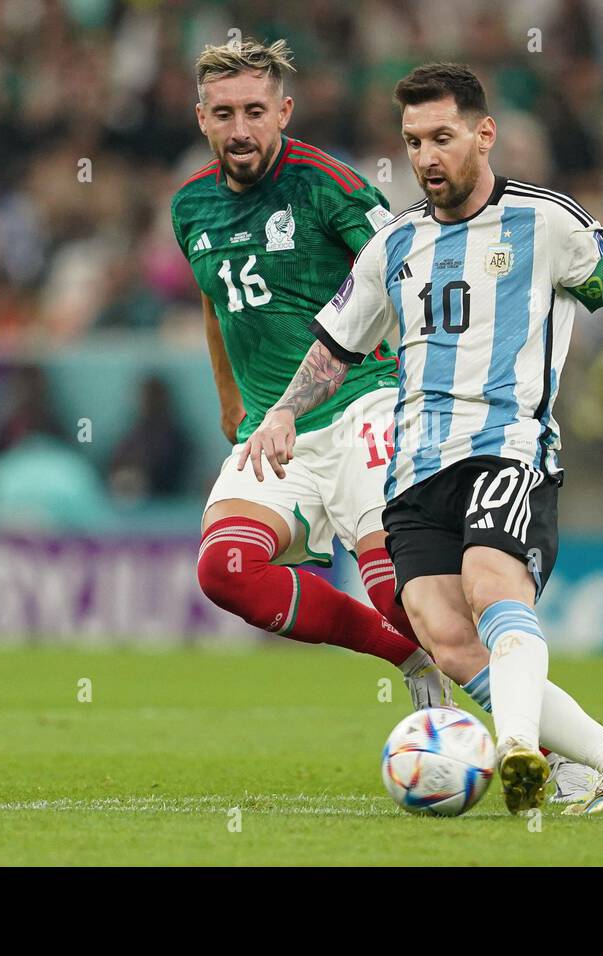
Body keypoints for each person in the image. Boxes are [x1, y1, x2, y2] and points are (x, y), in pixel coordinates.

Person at [242, 63, 603, 814]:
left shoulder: (546, 222)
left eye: (442, 137)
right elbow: (334, 346)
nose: (427, 157)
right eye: (413, 142)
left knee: (492, 586)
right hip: (413, 472)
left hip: (508, 448)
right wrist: (282, 410)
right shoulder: (394, 245)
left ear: (485, 134)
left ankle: (514, 747)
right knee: (444, 637)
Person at [170, 38, 451, 709]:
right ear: (201, 118)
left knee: (402, 594)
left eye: (256, 111)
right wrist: (229, 402)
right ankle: (409, 661)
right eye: (225, 112)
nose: (241, 129)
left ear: (285, 112)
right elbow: (216, 303)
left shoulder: (332, 187)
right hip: (273, 431)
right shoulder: (189, 207)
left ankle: (558, 751)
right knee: (226, 569)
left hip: (364, 407)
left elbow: (414, 279)